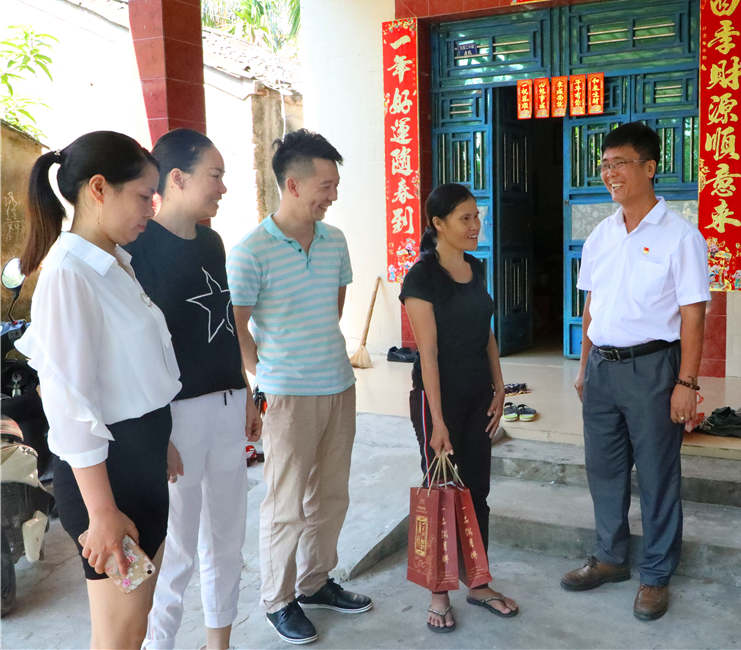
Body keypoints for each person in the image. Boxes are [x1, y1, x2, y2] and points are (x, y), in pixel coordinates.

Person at [15, 131, 181, 649]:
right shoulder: (70, 274)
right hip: (110, 481)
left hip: (138, 465)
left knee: (135, 624)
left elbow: (125, 373)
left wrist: (161, 442)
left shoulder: (111, 263)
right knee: (118, 636)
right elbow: (70, 405)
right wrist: (103, 513)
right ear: (99, 189)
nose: (151, 209)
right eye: (144, 195)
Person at [226, 129, 371, 646]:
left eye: (335, 185)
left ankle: (314, 582)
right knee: (286, 503)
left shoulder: (336, 241)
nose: (333, 195)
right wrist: (264, 376)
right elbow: (237, 327)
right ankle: (277, 599)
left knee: (330, 495)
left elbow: (333, 309)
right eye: (325, 185)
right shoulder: (251, 251)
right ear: (293, 185)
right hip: (286, 394)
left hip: (339, 385)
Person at [560, 122, 709, 622]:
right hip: (602, 368)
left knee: (658, 475)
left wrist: (686, 384)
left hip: (654, 369)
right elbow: (591, 307)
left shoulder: (681, 236)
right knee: (603, 469)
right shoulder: (601, 235)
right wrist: (584, 367)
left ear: (649, 167)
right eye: (605, 165)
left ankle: (656, 574)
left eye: (619, 163)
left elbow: (693, 315)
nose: (610, 174)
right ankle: (609, 557)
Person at [124, 129, 262, 650]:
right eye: (215, 175)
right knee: (176, 546)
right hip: (177, 415)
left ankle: (218, 643)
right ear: (177, 179)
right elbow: (138, 351)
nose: (223, 187)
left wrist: (244, 389)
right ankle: (159, 643)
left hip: (227, 404)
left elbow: (223, 326)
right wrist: (157, 431)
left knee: (227, 538)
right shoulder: (138, 248)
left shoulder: (212, 242)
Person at [400, 183, 518, 633]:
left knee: (477, 491)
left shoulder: (476, 267)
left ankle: (478, 582)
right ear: (438, 223)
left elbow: (486, 332)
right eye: (465, 218)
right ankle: (438, 592)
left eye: (476, 216)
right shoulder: (422, 277)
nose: (475, 225)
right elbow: (427, 354)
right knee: (442, 492)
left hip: (477, 395)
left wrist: (499, 386)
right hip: (439, 399)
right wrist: (438, 421)